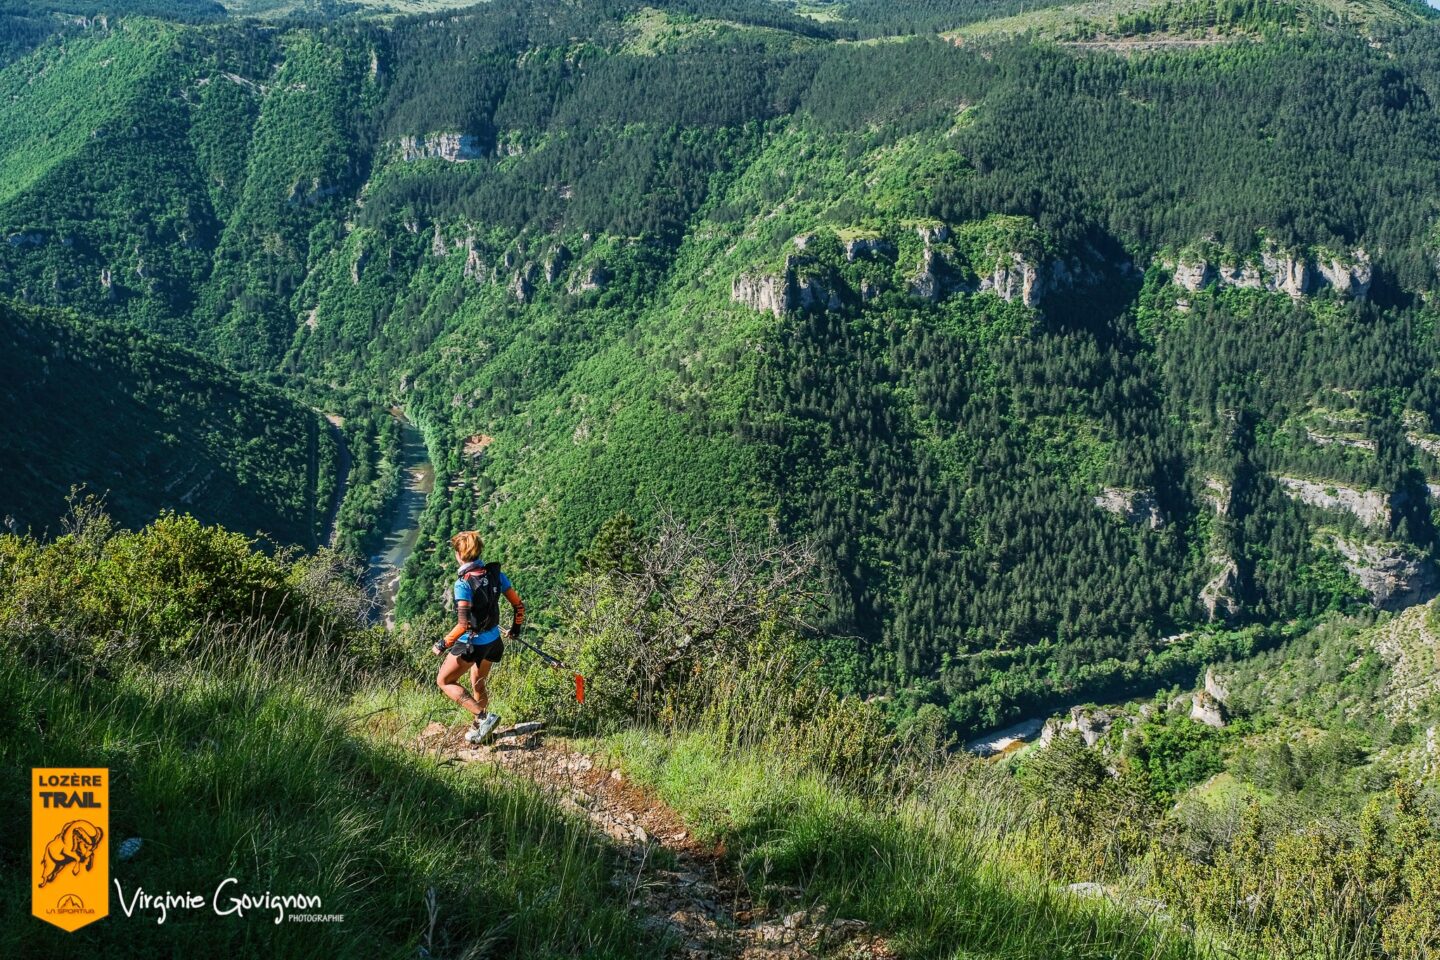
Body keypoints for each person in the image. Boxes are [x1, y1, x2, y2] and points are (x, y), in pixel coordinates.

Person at [434, 530, 525, 744]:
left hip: (472, 645)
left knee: (444, 681)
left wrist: (443, 643)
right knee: (478, 684)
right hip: (493, 642)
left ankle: (484, 717)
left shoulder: (463, 583)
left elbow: (463, 625)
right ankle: (480, 730)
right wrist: (515, 630)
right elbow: (519, 606)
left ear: (459, 554)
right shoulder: (495, 575)